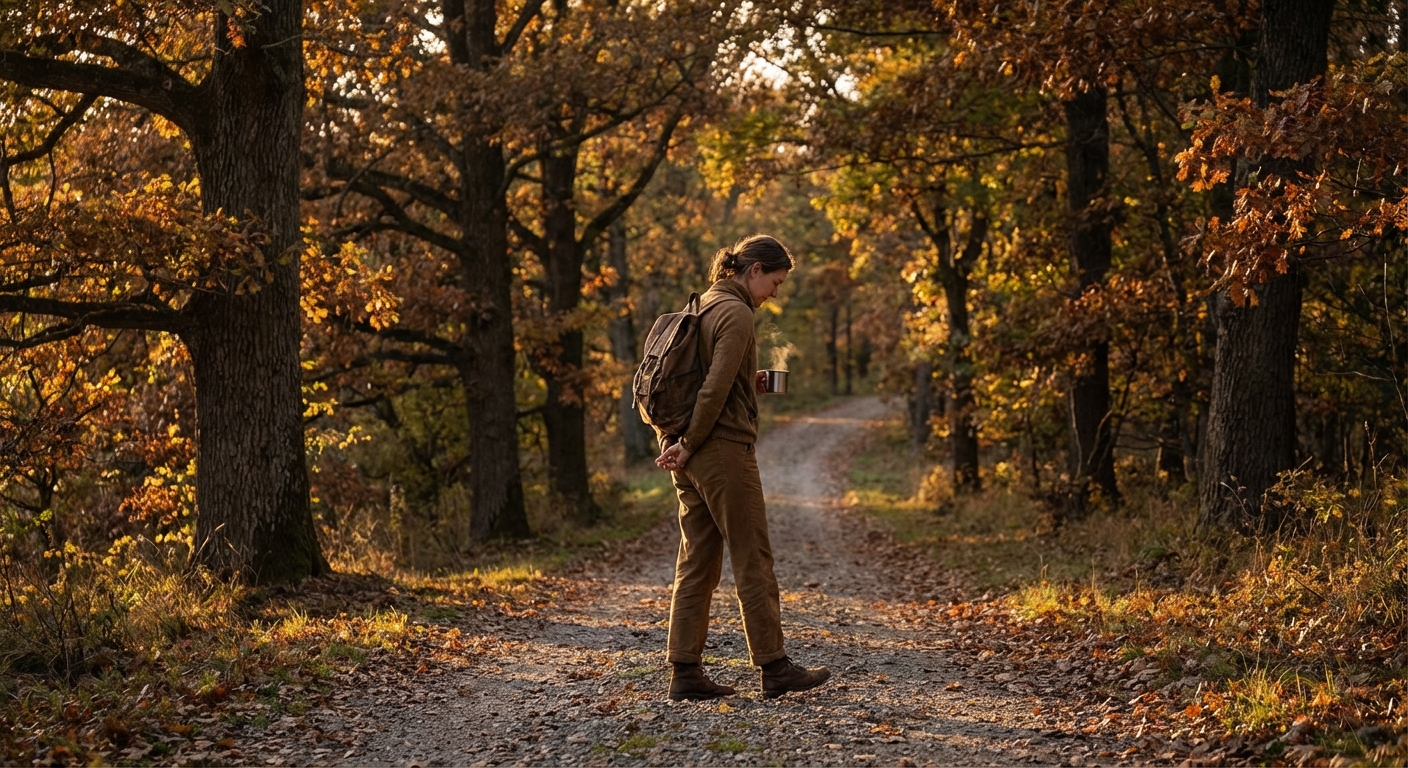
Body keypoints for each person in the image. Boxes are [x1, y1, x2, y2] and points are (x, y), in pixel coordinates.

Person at [655, 234, 831, 701]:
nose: (775, 293)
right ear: (753, 270)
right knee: (753, 555)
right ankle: (774, 666)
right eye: (774, 282)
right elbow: (711, 391)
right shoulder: (736, 314)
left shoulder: (706, 304)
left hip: (689, 452)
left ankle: (685, 671)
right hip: (719, 450)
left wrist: (679, 442)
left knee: (697, 560)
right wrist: (691, 444)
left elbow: (706, 378)